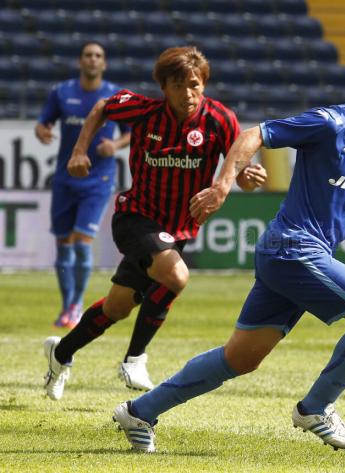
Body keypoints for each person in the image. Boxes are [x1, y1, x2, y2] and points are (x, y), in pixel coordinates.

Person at [112, 45, 345, 453]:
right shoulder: (331, 123)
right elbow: (253, 134)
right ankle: (317, 407)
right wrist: (223, 185)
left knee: (239, 359)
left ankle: (140, 411)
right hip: (292, 248)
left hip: (296, 255)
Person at [42, 46, 267, 400]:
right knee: (177, 276)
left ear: (204, 84)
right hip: (135, 217)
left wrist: (247, 177)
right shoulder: (145, 111)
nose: (188, 94)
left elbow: (237, 165)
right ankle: (134, 359)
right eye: (179, 85)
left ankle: (60, 354)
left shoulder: (220, 120)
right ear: (164, 87)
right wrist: (79, 149)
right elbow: (102, 107)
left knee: (116, 307)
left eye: (195, 85)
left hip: (176, 231)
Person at [35, 41, 131, 329]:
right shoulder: (62, 92)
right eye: (88, 55)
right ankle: (67, 306)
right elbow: (43, 124)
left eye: (98, 56)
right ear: (80, 62)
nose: (92, 60)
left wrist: (114, 144)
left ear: (104, 63)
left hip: (98, 180)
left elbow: (130, 133)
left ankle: (76, 306)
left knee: (80, 242)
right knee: (63, 244)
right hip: (65, 178)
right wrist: (42, 131)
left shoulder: (114, 95)